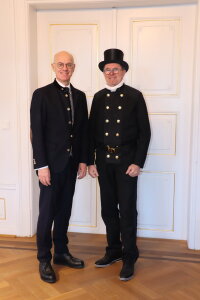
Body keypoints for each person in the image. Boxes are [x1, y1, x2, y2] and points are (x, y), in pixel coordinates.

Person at [88, 48, 151, 281]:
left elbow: (144, 133)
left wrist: (138, 162)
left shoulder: (135, 96)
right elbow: (91, 133)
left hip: (126, 164)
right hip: (104, 163)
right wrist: (92, 160)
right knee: (107, 210)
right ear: (103, 73)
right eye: (107, 70)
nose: (111, 73)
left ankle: (129, 256)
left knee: (126, 211)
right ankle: (113, 251)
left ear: (123, 71)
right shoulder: (98, 97)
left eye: (115, 69)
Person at [30, 51, 88, 283]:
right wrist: (41, 165)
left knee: (64, 210)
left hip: (71, 165)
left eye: (69, 65)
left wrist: (83, 160)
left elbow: (83, 131)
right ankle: (44, 258)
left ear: (74, 67)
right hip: (50, 167)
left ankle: (62, 253)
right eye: (61, 64)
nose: (65, 68)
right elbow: (37, 132)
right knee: (47, 214)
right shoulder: (41, 94)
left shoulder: (81, 96)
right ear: (53, 66)